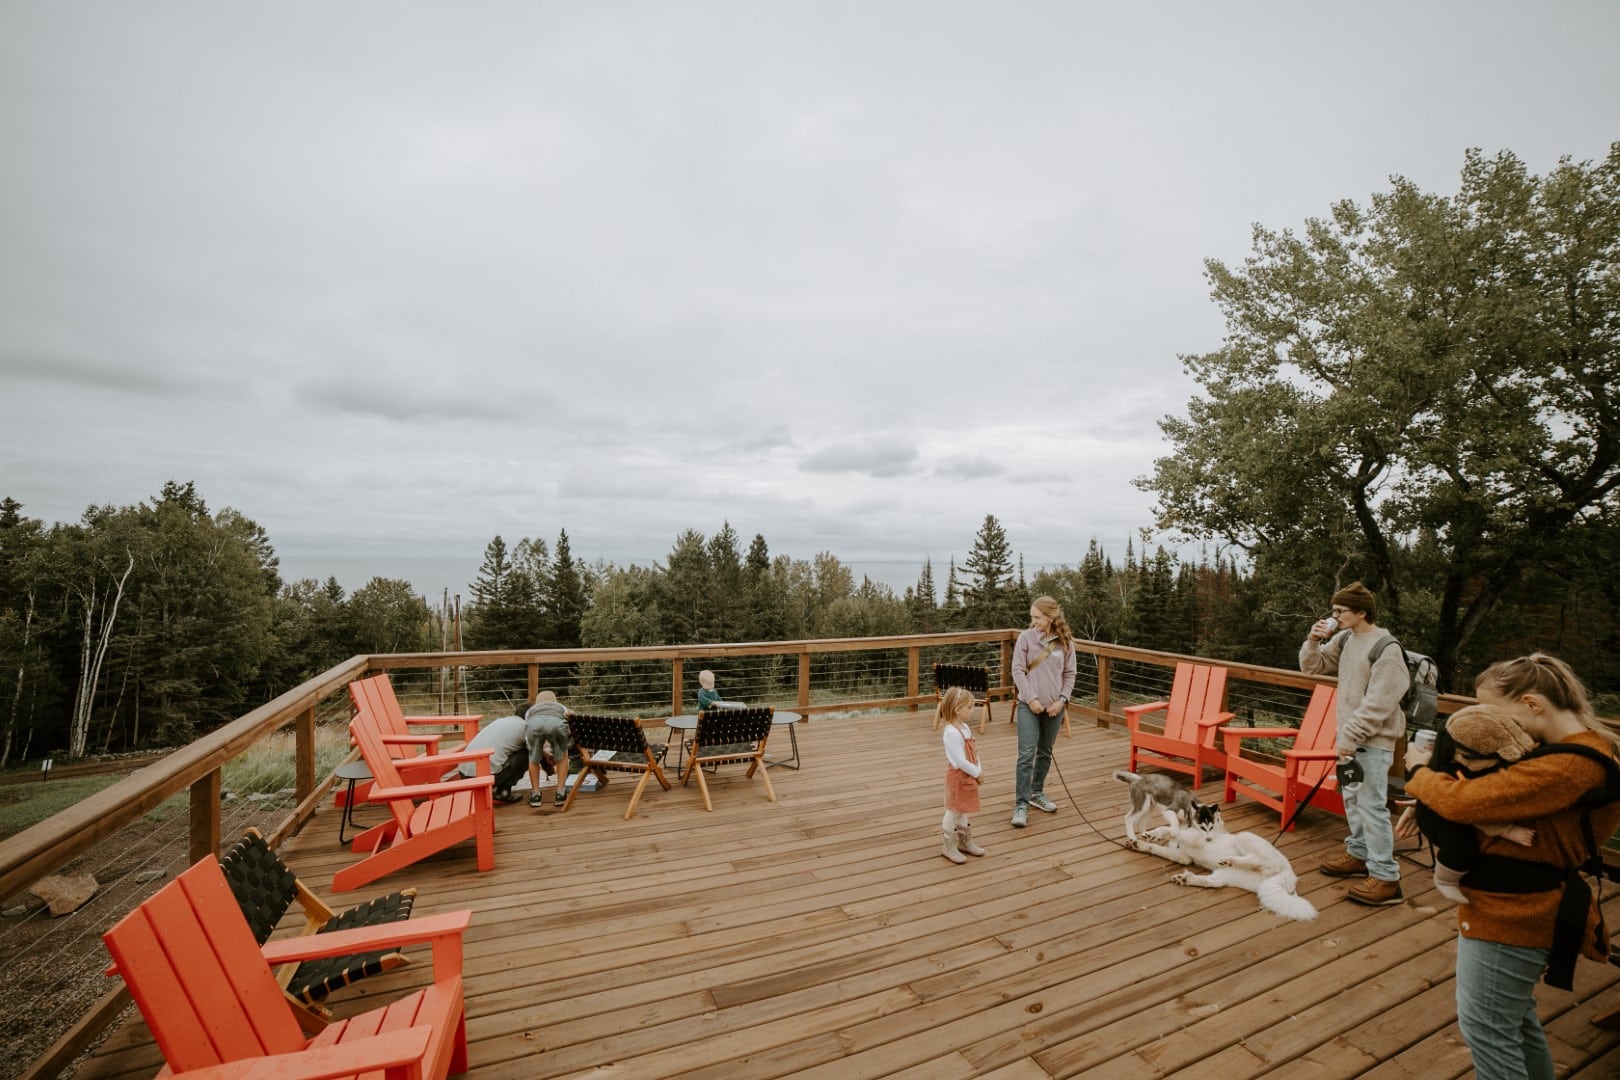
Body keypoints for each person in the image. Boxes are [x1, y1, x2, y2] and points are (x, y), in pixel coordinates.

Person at [1405, 653, 1620, 1080]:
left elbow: (1463, 801)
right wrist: (1428, 801)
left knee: (1487, 1030)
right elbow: (1492, 791)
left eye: (1493, 711)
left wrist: (1417, 771)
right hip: (1510, 903)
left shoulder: (1570, 765)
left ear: (1532, 703)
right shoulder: (1557, 751)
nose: (1488, 721)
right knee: (1515, 1022)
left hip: (1515, 913)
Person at [1300, 581, 1409, 906]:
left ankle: (1386, 877)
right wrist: (1313, 639)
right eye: (1333, 611)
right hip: (1348, 740)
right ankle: (1359, 854)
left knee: (1372, 807)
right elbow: (1312, 667)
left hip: (1371, 743)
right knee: (1352, 800)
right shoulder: (1346, 638)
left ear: (1362, 612)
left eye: (1339, 611)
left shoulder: (1386, 648)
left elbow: (1380, 703)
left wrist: (1350, 737)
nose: (1334, 616)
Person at [1404, 703, 1539, 903]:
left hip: (1507, 880)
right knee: (1460, 846)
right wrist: (1506, 830)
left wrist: (1419, 775)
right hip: (1450, 822)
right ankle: (1446, 880)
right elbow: (1469, 808)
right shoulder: (1462, 771)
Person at [1010, 595, 1076, 829]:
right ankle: (1021, 804)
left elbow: (1069, 674)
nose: (1033, 621)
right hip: (1029, 706)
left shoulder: (1065, 642)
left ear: (1050, 617)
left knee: (1045, 752)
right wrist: (1032, 699)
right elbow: (1018, 671)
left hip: (1054, 708)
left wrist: (1062, 700)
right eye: (1032, 617)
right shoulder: (1026, 638)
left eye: (1037, 617)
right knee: (1026, 754)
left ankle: (1036, 792)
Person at [938, 686, 986, 863]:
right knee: (954, 810)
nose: (972, 710)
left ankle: (965, 842)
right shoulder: (951, 732)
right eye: (969, 707)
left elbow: (975, 751)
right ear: (958, 710)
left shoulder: (965, 727)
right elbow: (959, 760)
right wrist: (976, 773)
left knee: (963, 808)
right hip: (958, 777)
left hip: (969, 774)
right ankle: (948, 845)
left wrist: (979, 768)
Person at [455, 713, 528, 803]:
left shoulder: (500, 721)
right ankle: (503, 792)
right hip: (481, 778)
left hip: (464, 775)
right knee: (527, 753)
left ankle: (496, 788)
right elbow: (535, 750)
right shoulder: (525, 727)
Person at [524, 691, 577, 809]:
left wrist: (540, 752)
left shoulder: (531, 710)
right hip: (556, 723)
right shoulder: (560, 707)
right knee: (563, 756)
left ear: (537, 702)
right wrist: (559, 747)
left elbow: (528, 726)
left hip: (534, 724)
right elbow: (571, 717)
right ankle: (560, 793)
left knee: (533, 758)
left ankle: (536, 795)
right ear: (554, 700)